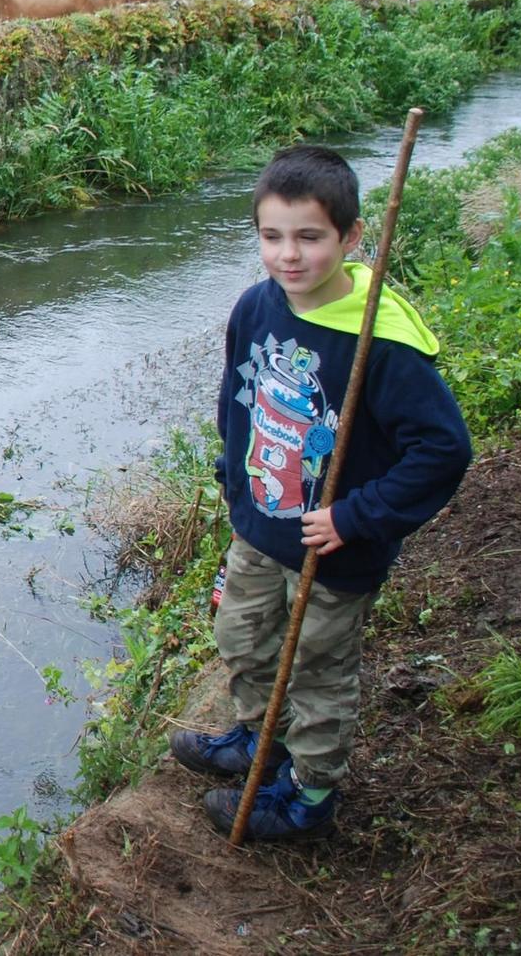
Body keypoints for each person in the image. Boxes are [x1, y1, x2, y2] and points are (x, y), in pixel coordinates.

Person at [172, 145, 471, 841]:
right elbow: (235, 404)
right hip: (260, 526)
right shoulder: (256, 305)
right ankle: (259, 743)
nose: (289, 255)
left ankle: (308, 795)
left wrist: (355, 514)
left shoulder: (381, 341)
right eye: (272, 236)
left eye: (309, 236)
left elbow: (443, 449)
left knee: (315, 669)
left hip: (331, 547)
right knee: (241, 636)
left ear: (351, 236)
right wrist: (234, 487)